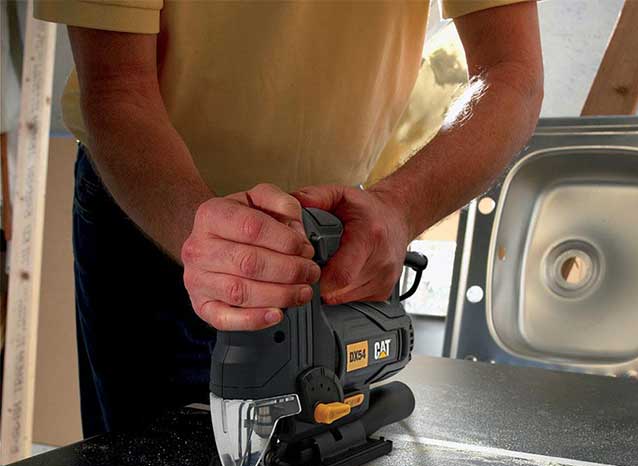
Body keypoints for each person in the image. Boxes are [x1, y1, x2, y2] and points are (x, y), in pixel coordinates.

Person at [35, 0, 544, 438]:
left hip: (342, 231)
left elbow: (511, 73)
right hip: (155, 211)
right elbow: (116, 87)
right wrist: (198, 234)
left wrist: (401, 207)